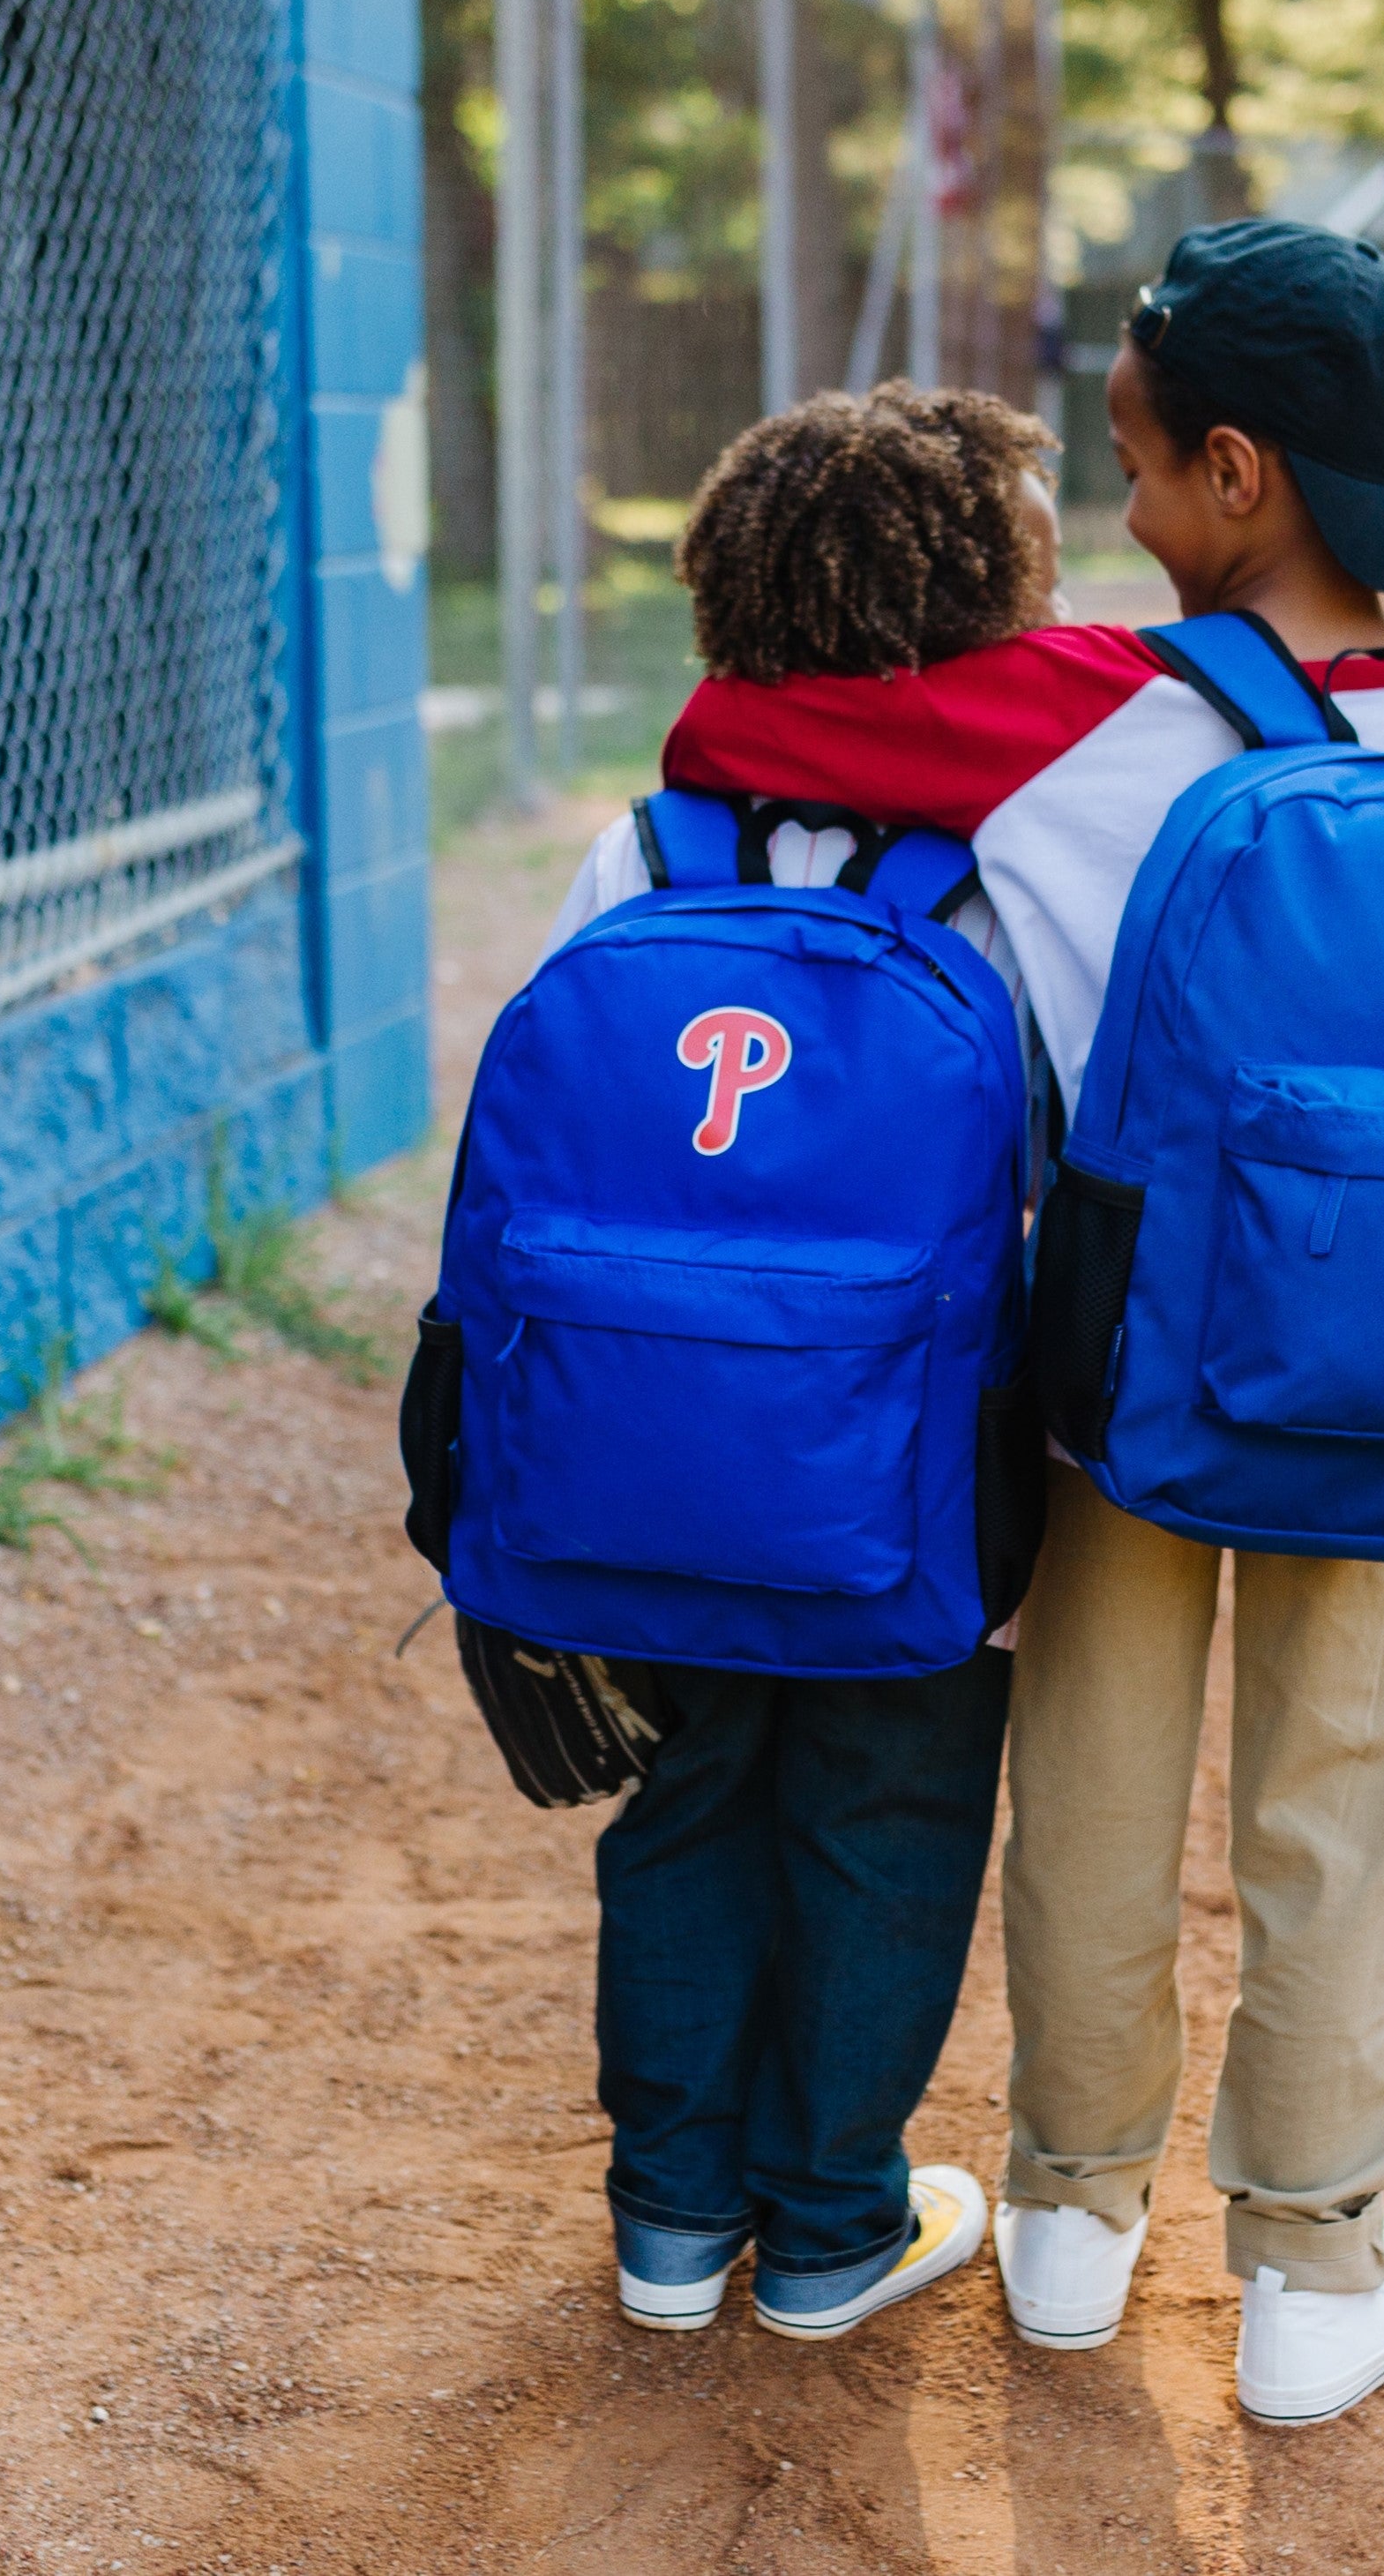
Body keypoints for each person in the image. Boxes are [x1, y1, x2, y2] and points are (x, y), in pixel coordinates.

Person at [660, 221, 1384, 2423]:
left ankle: (1065, 2219)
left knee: (1095, 1766)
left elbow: (786, 725)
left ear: (1236, 474)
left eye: (1132, 470)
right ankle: (1318, 2267)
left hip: (1118, 1361)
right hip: (1383, 1377)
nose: (1115, 522)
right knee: (1337, 1790)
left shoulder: (1115, 711)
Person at [512, 380, 1061, 2343]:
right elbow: (1060, 1173)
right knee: (885, 1818)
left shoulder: (638, 855)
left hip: (643, 1472)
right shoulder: (992, 885)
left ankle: (667, 2222)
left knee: (684, 1805)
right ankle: (831, 2223)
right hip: (902, 1484)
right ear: (986, 610)